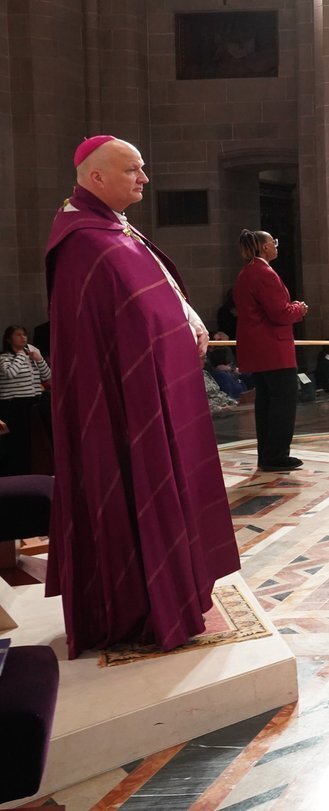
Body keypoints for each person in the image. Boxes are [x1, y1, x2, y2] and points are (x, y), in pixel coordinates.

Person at [44, 135, 239, 655]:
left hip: (158, 386)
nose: (144, 179)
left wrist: (188, 319)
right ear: (96, 177)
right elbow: (108, 330)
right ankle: (139, 604)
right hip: (125, 402)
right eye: (132, 170)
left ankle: (177, 588)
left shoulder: (114, 228)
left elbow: (156, 294)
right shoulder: (83, 242)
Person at [233, 229, 310, 472]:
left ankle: (267, 455)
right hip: (273, 348)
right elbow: (280, 313)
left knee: (266, 403)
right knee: (283, 403)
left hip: (258, 349)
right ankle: (276, 455)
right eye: (273, 242)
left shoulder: (246, 272)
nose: (276, 246)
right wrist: (299, 308)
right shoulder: (264, 273)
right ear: (265, 247)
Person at [0, 326, 50, 476]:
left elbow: (48, 375)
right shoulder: (4, 358)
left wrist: (40, 360)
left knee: (32, 440)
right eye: (18, 335)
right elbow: (10, 373)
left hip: (32, 402)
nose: (23, 338)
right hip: (14, 404)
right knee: (16, 442)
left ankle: (31, 471)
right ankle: (15, 473)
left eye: (25, 335)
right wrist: (21, 355)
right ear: (9, 339)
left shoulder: (31, 357)